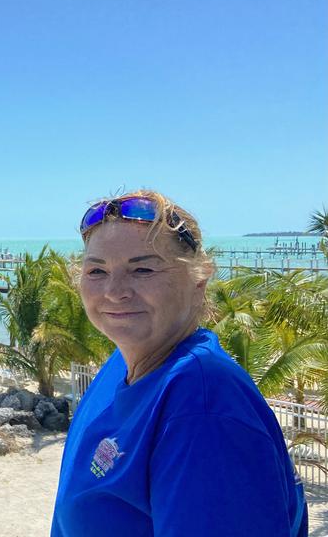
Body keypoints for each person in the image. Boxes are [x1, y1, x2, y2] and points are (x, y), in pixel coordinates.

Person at [51, 190, 307, 537]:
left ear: (198, 282)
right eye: (97, 270)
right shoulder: (120, 366)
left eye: (142, 269)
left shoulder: (201, 406)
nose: (114, 291)